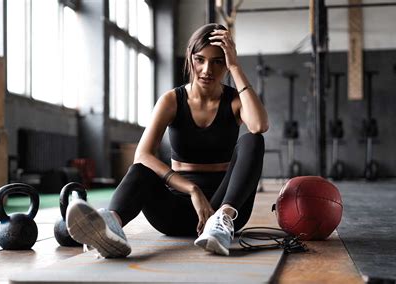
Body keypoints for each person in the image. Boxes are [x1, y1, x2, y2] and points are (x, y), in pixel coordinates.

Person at [66, 23, 269, 258]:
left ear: (226, 64)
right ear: (190, 58)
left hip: (224, 211)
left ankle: (222, 220)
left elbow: (259, 125)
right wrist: (193, 189)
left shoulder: (234, 101)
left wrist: (235, 66)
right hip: (173, 212)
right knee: (142, 167)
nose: (206, 70)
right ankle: (110, 226)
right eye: (200, 59)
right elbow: (142, 154)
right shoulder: (172, 100)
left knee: (253, 141)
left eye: (218, 62)